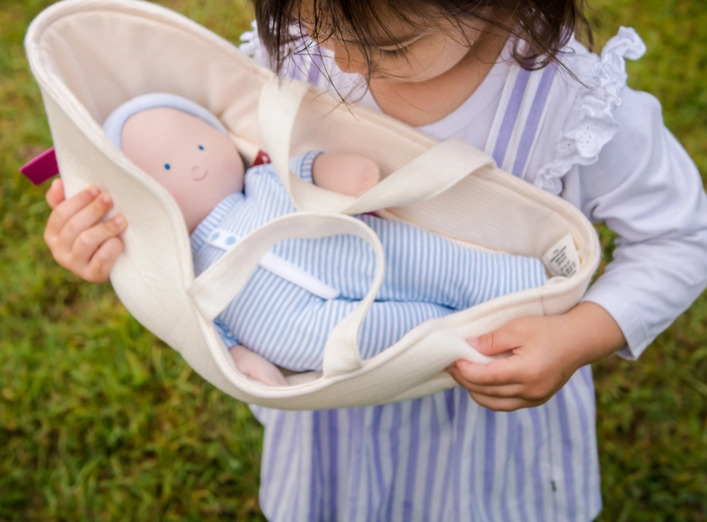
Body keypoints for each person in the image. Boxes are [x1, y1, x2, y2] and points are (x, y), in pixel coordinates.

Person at [42, 0, 707, 519]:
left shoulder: (575, 112)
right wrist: (115, 234)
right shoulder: (297, 58)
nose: (336, 58)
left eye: (389, 45)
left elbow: (683, 239)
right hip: (336, 409)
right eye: (313, 20)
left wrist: (579, 336)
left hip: (485, 423)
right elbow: (223, 185)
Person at [105, 94, 548, 382]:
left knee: (431, 263)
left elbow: (303, 174)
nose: (194, 166)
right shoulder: (187, 269)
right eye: (164, 171)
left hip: (354, 249)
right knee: (407, 335)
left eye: (201, 147)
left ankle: (525, 287)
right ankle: (466, 339)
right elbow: (206, 326)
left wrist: (337, 173)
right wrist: (242, 360)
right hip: (306, 331)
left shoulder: (262, 181)